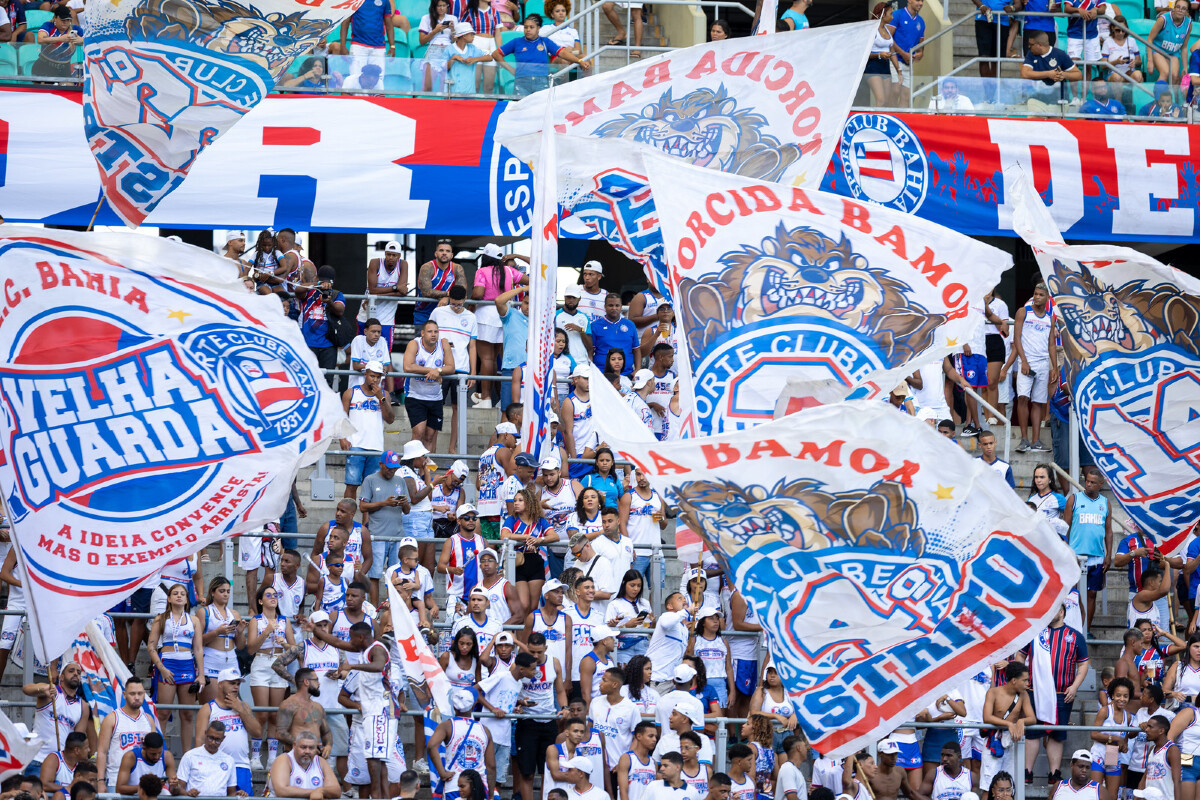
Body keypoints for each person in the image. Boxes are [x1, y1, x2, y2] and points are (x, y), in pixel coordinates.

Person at [1024, 605, 1090, 786]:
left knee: (1057, 735)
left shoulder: (1075, 636)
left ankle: (1054, 774)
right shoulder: (1034, 632)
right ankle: (1027, 773)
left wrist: (1075, 686)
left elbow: (1083, 665)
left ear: (1061, 612)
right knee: (1032, 733)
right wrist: (1022, 682)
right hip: (1033, 691)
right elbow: (1020, 655)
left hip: (1062, 693)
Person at [145, 584, 202, 753]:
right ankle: (159, 754)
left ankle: (187, 755)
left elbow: (198, 649)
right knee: (163, 712)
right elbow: (151, 647)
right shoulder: (160, 618)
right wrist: (161, 668)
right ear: (169, 598)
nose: (179, 596)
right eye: (175, 593)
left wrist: (202, 675)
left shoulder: (194, 620)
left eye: (182, 594)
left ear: (186, 599)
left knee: (187, 714)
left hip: (187, 666)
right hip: (167, 665)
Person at [247, 584, 295, 767]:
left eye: (275, 595)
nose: (273, 597)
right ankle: (255, 756)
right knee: (261, 714)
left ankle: (273, 757)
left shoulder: (284, 621)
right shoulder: (256, 620)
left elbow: (295, 649)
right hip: (260, 662)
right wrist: (266, 631)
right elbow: (250, 649)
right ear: (261, 601)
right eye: (268, 595)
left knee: (275, 714)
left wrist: (284, 644)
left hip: (279, 663)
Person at [195, 669, 262, 795]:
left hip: (241, 765)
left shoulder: (244, 706)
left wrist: (240, 710)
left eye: (238, 683)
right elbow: (199, 740)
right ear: (220, 684)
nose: (236, 687)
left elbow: (257, 732)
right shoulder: (208, 708)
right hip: (215, 764)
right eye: (232, 683)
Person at [478, 651, 538, 787]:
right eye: (533, 668)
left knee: (498, 778)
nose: (535, 672)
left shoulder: (518, 684)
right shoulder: (501, 676)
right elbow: (475, 691)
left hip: (505, 736)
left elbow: (506, 700)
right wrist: (492, 709)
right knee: (484, 774)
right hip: (489, 733)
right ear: (522, 669)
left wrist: (520, 704)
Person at [493, 13, 592, 95]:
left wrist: (579, 61)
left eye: (531, 27)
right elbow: (496, 54)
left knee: (541, 112)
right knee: (521, 112)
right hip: (522, 81)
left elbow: (562, 53)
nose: (528, 30)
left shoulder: (545, 41)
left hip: (541, 82)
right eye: (526, 27)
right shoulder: (516, 42)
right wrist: (510, 69)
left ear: (538, 28)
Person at [1065, 467, 1114, 628]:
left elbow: (1108, 530)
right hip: (1075, 554)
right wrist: (1065, 550)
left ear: (1101, 484)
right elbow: (1066, 526)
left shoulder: (1105, 503)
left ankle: (1086, 628)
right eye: (1087, 481)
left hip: (1097, 556)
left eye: (1093, 482)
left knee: (1092, 594)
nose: (1088, 485)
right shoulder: (1074, 499)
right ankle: (1072, 626)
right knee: (1073, 593)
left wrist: (1108, 555)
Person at [430, 284, 478, 448]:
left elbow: (472, 346)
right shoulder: (438, 312)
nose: (456, 307)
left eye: (460, 304)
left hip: (462, 368)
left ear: (465, 299)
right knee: (437, 406)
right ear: (449, 297)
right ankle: (433, 448)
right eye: (453, 303)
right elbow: (429, 335)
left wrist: (473, 372)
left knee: (458, 409)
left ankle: (452, 448)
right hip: (440, 367)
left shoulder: (471, 317)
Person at [25, 661, 94, 773]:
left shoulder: (83, 706)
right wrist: (42, 690)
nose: (76, 674)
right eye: (71, 671)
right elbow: (27, 689)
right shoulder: (51, 691)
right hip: (38, 760)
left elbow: (77, 738)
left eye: (78, 672)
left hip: (62, 764)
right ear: (61, 677)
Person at [428, 689, 496, 800]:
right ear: (473, 705)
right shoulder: (485, 730)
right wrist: (491, 795)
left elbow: (431, 746)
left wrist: (442, 773)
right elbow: (491, 766)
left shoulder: (447, 726)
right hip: (479, 787)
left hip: (454, 785)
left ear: (454, 706)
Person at [341, 361, 394, 500]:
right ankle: (349, 519)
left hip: (375, 447)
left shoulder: (384, 395)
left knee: (371, 488)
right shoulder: (351, 392)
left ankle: (368, 522)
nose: (375, 380)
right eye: (372, 376)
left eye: (378, 377)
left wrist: (381, 398)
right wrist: (342, 438)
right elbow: (340, 418)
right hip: (355, 445)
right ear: (365, 374)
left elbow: (390, 419)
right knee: (352, 485)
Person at [96, 679, 159, 793]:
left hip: (142, 781)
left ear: (144, 694)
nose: (136, 697)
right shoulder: (112, 718)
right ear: (124, 695)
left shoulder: (149, 719)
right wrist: (100, 781)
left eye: (140, 693)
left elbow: (155, 750)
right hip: (116, 779)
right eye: (132, 693)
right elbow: (102, 752)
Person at [502, 485, 555, 612]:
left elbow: (554, 536)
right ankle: (520, 631)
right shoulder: (512, 519)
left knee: (532, 607)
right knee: (523, 605)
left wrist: (539, 540)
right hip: (518, 562)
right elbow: (504, 535)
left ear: (529, 502)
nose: (516, 503)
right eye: (515, 500)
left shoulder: (540, 521)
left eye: (520, 500)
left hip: (535, 561)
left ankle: (529, 632)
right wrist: (525, 537)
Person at [403, 321, 454, 453]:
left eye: (436, 331)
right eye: (430, 331)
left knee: (430, 436)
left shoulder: (443, 344)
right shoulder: (414, 344)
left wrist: (439, 371)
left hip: (435, 397)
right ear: (423, 333)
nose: (433, 335)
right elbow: (408, 366)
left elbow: (451, 367)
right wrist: (432, 370)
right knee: (418, 432)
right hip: (415, 395)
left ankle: (425, 469)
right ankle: (413, 466)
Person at [298, 264, 347, 381]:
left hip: (328, 345)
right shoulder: (309, 293)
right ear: (316, 278)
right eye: (322, 281)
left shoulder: (336, 295)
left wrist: (329, 302)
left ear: (333, 282)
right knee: (308, 379)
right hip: (309, 344)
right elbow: (297, 290)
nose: (325, 286)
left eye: (327, 283)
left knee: (327, 381)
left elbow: (340, 311)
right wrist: (316, 285)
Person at [174, 722, 243, 798]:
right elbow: (179, 787)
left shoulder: (229, 760)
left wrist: (238, 794)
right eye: (211, 738)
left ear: (223, 739)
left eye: (217, 740)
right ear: (205, 733)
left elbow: (231, 792)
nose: (213, 742)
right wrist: (188, 794)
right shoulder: (190, 756)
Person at [276, 668, 331, 757]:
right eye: (316, 680)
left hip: (314, 757)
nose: (319, 683)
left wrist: (328, 745)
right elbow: (280, 734)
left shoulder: (318, 707)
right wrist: (305, 746)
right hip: (293, 756)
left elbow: (326, 732)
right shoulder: (289, 705)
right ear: (306, 682)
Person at [268, 730, 339, 799]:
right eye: (303, 747)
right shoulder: (284, 759)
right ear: (294, 745)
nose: (307, 751)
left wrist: (321, 791)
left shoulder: (320, 761)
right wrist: (314, 792)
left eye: (311, 748)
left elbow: (336, 790)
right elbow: (281, 791)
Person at [416, 238, 467, 326]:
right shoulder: (427, 267)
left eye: (447, 251)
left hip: (448, 314)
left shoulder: (457, 268)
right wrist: (448, 294)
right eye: (441, 250)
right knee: (423, 339)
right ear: (436, 254)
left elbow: (461, 293)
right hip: (424, 314)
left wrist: (447, 298)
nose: (444, 253)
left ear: (451, 255)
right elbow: (426, 292)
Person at [591, 294, 640, 375]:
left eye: (617, 305)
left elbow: (636, 349)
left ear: (621, 306)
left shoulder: (630, 325)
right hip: (602, 374)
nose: (614, 308)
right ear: (605, 306)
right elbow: (590, 351)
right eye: (611, 305)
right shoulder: (595, 325)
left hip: (627, 374)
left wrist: (637, 370)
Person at [890, 0, 925, 106]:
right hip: (894, 60)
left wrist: (920, 53)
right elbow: (888, 38)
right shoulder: (897, 15)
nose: (921, 3)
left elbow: (921, 45)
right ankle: (890, 118)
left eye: (922, 1)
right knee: (895, 90)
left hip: (909, 64)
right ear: (909, 0)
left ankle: (900, 120)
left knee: (906, 96)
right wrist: (903, 53)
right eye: (918, 0)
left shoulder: (921, 21)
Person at [32, 6, 82, 79]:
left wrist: (81, 40)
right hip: (45, 66)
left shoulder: (75, 28)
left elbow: (91, 39)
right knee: (46, 88)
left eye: (68, 20)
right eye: (62, 19)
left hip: (64, 68)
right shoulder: (48, 25)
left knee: (68, 88)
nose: (65, 22)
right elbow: (40, 39)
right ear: (55, 18)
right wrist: (60, 39)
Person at [865, 3, 900, 106]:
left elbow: (892, 52)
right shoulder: (872, 30)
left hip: (885, 66)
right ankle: (875, 121)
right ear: (883, 15)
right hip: (873, 66)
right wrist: (879, 54)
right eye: (890, 14)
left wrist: (899, 71)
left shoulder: (888, 30)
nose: (892, 17)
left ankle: (882, 120)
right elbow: (865, 53)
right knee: (881, 100)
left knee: (886, 102)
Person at [418, 0, 458, 90]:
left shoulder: (453, 18)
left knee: (445, 87)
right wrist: (435, 31)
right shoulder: (426, 18)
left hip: (448, 50)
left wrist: (453, 30)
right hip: (433, 50)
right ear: (434, 6)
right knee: (427, 87)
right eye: (439, 6)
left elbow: (456, 42)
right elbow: (422, 41)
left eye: (444, 5)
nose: (442, 8)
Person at [617, 722, 659, 800]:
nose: (654, 740)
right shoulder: (626, 758)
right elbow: (623, 791)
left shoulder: (654, 763)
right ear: (639, 736)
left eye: (655, 737)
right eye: (650, 736)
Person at [41, 732, 87, 800]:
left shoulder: (83, 765)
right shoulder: (54, 759)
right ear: (77, 750)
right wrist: (68, 789)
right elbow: (45, 785)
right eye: (86, 748)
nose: (89, 750)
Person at [557, 285, 595, 365]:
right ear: (564, 297)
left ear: (579, 298)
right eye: (568, 297)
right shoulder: (555, 315)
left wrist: (580, 330)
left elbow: (589, 346)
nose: (571, 300)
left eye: (574, 298)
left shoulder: (584, 317)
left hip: (582, 362)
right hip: (561, 361)